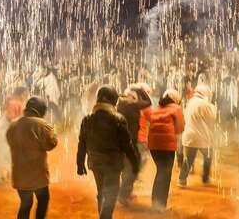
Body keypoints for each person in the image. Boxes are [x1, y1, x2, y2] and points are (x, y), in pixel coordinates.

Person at [77, 85, 139, 219]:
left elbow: (82, 143)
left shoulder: (87, 118)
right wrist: (134, 162)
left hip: (95, 163)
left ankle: (104, 216)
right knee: (111, 194)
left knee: (101, 192)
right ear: (112, 100)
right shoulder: (118, 118)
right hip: (113, 164)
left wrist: (80, 164)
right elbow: (126, 145)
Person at [6, 96, 58, 219]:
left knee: (25, 203)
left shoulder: (13, 125)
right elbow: (51, 144)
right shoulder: (43, 125)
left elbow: (10, 141)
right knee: (43, 200)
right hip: (38, 174)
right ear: (41, 110)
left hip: (19, 173)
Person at [143, 89, 184, 212]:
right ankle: (159, 205)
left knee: (160, 172)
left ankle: (156, 202)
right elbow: (180, 127)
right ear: (176, 99)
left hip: (153, 146)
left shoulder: (156, 108)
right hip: (167, 146)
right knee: (165, 174)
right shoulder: (176, 109)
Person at [116, 83, 152, 206]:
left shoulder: (120, 103)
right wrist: (139, 89)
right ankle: (122, 194)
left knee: (127, 168)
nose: (137, 100)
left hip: (121, 141)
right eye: (135, 98)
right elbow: (148, 102)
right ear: (132, 97)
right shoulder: (132, 106)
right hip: (130, 141)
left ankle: (123, 193)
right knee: (132, 169)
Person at [178, 84, 217, 187]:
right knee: (208, 156)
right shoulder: (204, 104)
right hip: (202, 136)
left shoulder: (191, 101)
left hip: (189, 135)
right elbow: (213, 118)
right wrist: (213, 106)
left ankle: (182, 180)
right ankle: (205, 178)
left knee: (188, 159)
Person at [0, 87, 28, 186]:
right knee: (4, 152)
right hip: (9, 130)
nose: (25, 96)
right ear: (20, 94)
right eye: (24, 94)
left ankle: (4, 174)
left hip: (10, 130)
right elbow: (11, 118)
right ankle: (0, 177)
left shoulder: (14, 101)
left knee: (6, 152)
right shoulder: (15, 103)